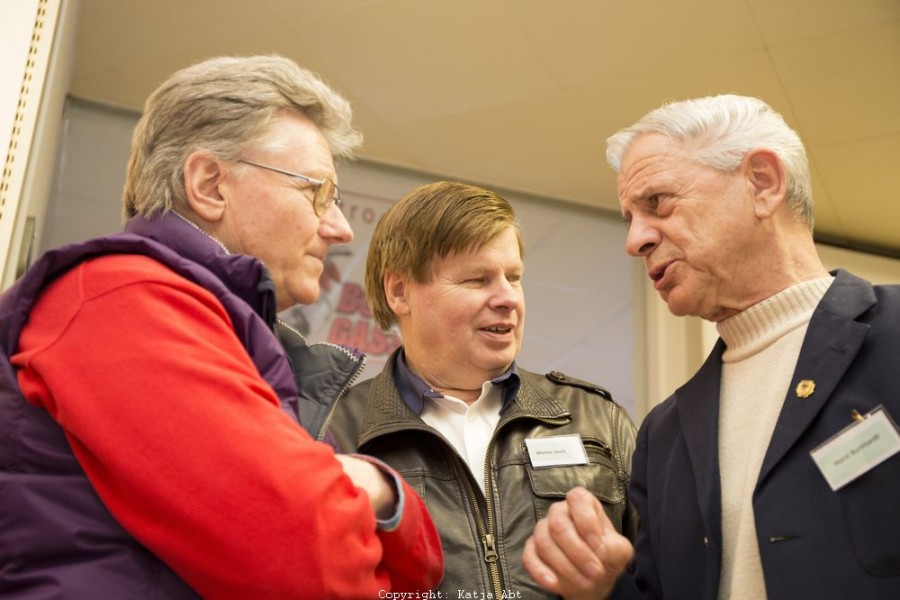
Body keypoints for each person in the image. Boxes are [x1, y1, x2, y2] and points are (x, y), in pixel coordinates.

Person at [0, 55, 443, 598]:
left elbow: (410, 582)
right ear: (210, 184)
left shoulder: (203, 320)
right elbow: (306, 563)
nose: (341, 228)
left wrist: (379, 493)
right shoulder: (125, 298)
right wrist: (377, 493)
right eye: (317, 193)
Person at [523, 93, 900, 599]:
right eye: (630, 218)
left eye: (657, 203)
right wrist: (605, 589)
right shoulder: (665, 433)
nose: (635, 240)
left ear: (762, 183)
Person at [328, 180, 638, 599]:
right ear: (399, 291)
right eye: (478, 280)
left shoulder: (598, 420)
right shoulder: (333, 432)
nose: (508, 298)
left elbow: (663, 582)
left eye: (514, 277)